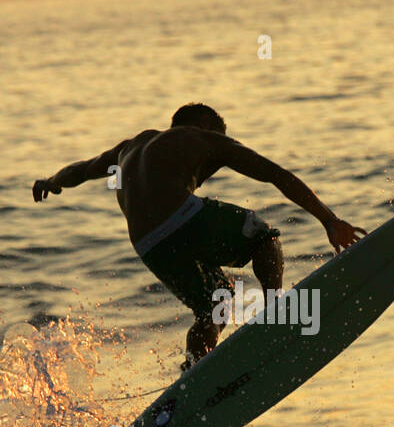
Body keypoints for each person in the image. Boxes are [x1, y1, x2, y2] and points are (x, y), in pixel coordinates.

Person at [33, 103, 365, 369]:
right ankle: (277, 311)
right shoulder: (204, 138)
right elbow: (276, 175)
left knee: (214, 304)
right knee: (263, 236)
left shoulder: (128, 148)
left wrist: (52, 180)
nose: (209, 172)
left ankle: (195, 371)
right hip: (184, 218)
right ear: (205, 123)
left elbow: (81, 169)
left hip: (148, 244)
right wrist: (330, 220)